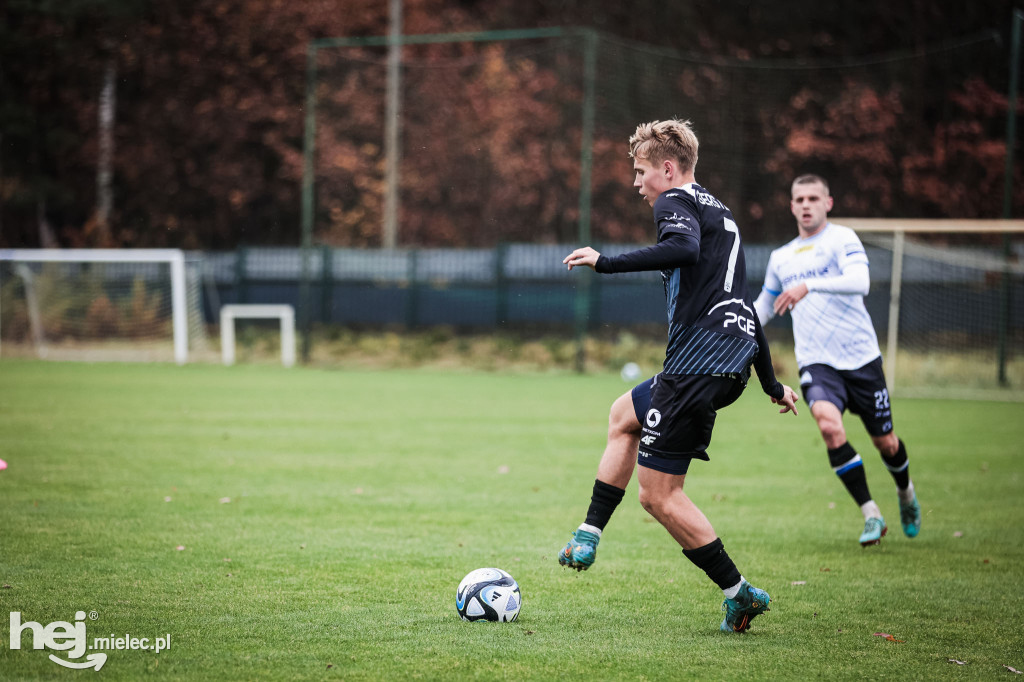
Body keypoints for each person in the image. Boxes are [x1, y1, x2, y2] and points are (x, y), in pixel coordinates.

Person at [560, 118, 799, 634]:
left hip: (696, 365)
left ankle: (739, 593)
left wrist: (606, 262)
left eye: (642, 171)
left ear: (668, 169)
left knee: (659, 495)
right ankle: (588, 532)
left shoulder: (675, 203)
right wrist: (771, 383)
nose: (637, 182)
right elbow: (747, 310)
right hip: (727, 362)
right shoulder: (723, 213)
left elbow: (682, 250)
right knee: (624, 415)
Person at [753, 174, 921, 547]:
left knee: (886, 443)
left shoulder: (842, 238)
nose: (807, 204)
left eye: (814, 198)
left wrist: (810, 284)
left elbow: (860, 281)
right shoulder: (780, 257)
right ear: (791, 206)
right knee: (829, 428)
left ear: (828, 203)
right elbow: (765, 306)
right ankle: (871, 514)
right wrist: (727, 324)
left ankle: (906, 493)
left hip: (861, 359)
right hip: (817, 363)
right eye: (800, 199)